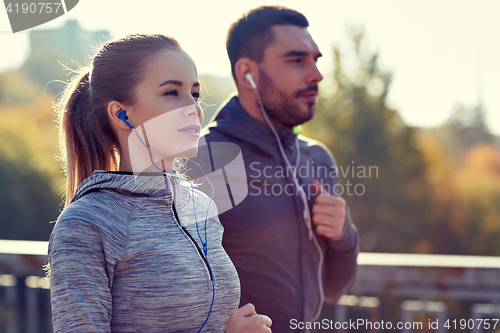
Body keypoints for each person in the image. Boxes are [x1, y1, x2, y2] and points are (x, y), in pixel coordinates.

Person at [47, 34, 272, 333]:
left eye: (195, 93)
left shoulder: (199, 205)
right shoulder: (86, 223)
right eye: (171, 93)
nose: (193, 107)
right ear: (122, 114)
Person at [195, 6, 359, 332]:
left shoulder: (317, 159)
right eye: (296, 60)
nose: (316, 75)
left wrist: (345, 237)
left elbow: (333, 289)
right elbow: (161, 288)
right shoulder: (201, 159)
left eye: (316, 59)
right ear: (247, 74)